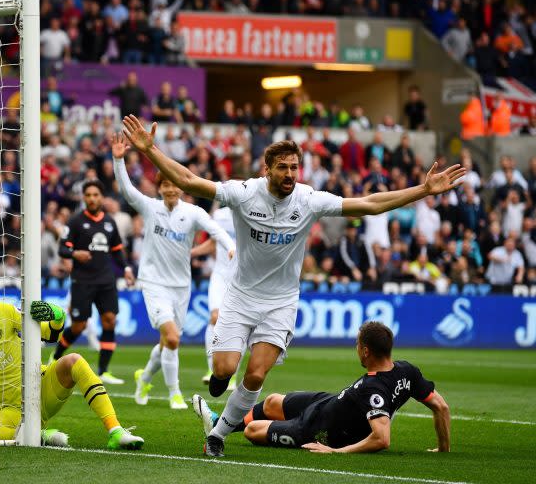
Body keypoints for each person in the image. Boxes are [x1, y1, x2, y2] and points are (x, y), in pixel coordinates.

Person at [119, 114, 465, 457]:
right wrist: (150, 151)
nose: (289, 174)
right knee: (223, 371)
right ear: (266, 169)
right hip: (240, 295)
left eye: (294, 167)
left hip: (281, 301)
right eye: (282, 167)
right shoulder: (243, 193)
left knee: (255, 375)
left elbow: (369, 204)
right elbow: (190, 181)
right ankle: (221, 386)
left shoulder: (308, 199)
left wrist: (423, 189)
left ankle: (218, 435)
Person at [0, 298, 143, 450]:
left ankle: (115, 431)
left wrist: (58, 317)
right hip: (10, 412)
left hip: (41, 387)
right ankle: (36, 435)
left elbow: (50, 336)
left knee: (74, 361)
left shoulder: (1, 312)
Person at [111, 132, 235, 410]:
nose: (170, 190)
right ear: (159, 188)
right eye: (165, 185)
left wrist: (229, 246)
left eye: (173, 185)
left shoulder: (191, 213)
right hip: (154, 282)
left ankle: (143, 378)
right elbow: (127, 191)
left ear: (180, 188)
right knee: (174, 338)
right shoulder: (150, 208)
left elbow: (216, 230)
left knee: (168, 341)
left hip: (181, 285)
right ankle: (174, 393)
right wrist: (118, 160)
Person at [192, 322, 451, 454]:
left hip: (318, 430)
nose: (356, 348)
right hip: (329, 403)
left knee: (252, 430)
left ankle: (220, 426)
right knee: (271, 401)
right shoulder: (407, 370)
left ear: (365, 350)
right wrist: (444, 448)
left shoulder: (374, 391)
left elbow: (382, 439)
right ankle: (219, 423)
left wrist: (336, 451)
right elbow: (441, 407)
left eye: (357, 344)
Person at [53, 179, 135, 384]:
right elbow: (62, 248)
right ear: (84, 197)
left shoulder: (109, 222)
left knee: (110, 320)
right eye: (88, 195)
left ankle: (104, 371)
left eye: (95, 195)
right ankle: (54, 359)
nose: (92, 198)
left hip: (106, 280)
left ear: (102, 197)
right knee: (79, 326)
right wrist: (75, 254)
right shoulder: (75, 221)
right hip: (83, 280)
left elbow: (117, 249)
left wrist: (126, 268)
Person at [190, 205, 238, 389]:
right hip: (220, 275)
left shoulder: (255, 211)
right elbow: (213, 243)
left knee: (236, 325)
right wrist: (191, 252)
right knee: (214, 317)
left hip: (241, 279)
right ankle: (212, 369)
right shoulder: (220, 215)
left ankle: (231, 375)